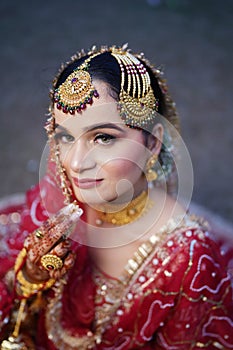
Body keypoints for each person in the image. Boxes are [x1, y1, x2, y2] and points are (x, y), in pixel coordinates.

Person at [0, 44, 232, 350]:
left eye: (104, 137)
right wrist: (31, 275)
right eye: (66, 137)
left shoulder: (186, 259)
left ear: (153, 142)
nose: (75, 163)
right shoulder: (63, 195)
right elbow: (18, 299)